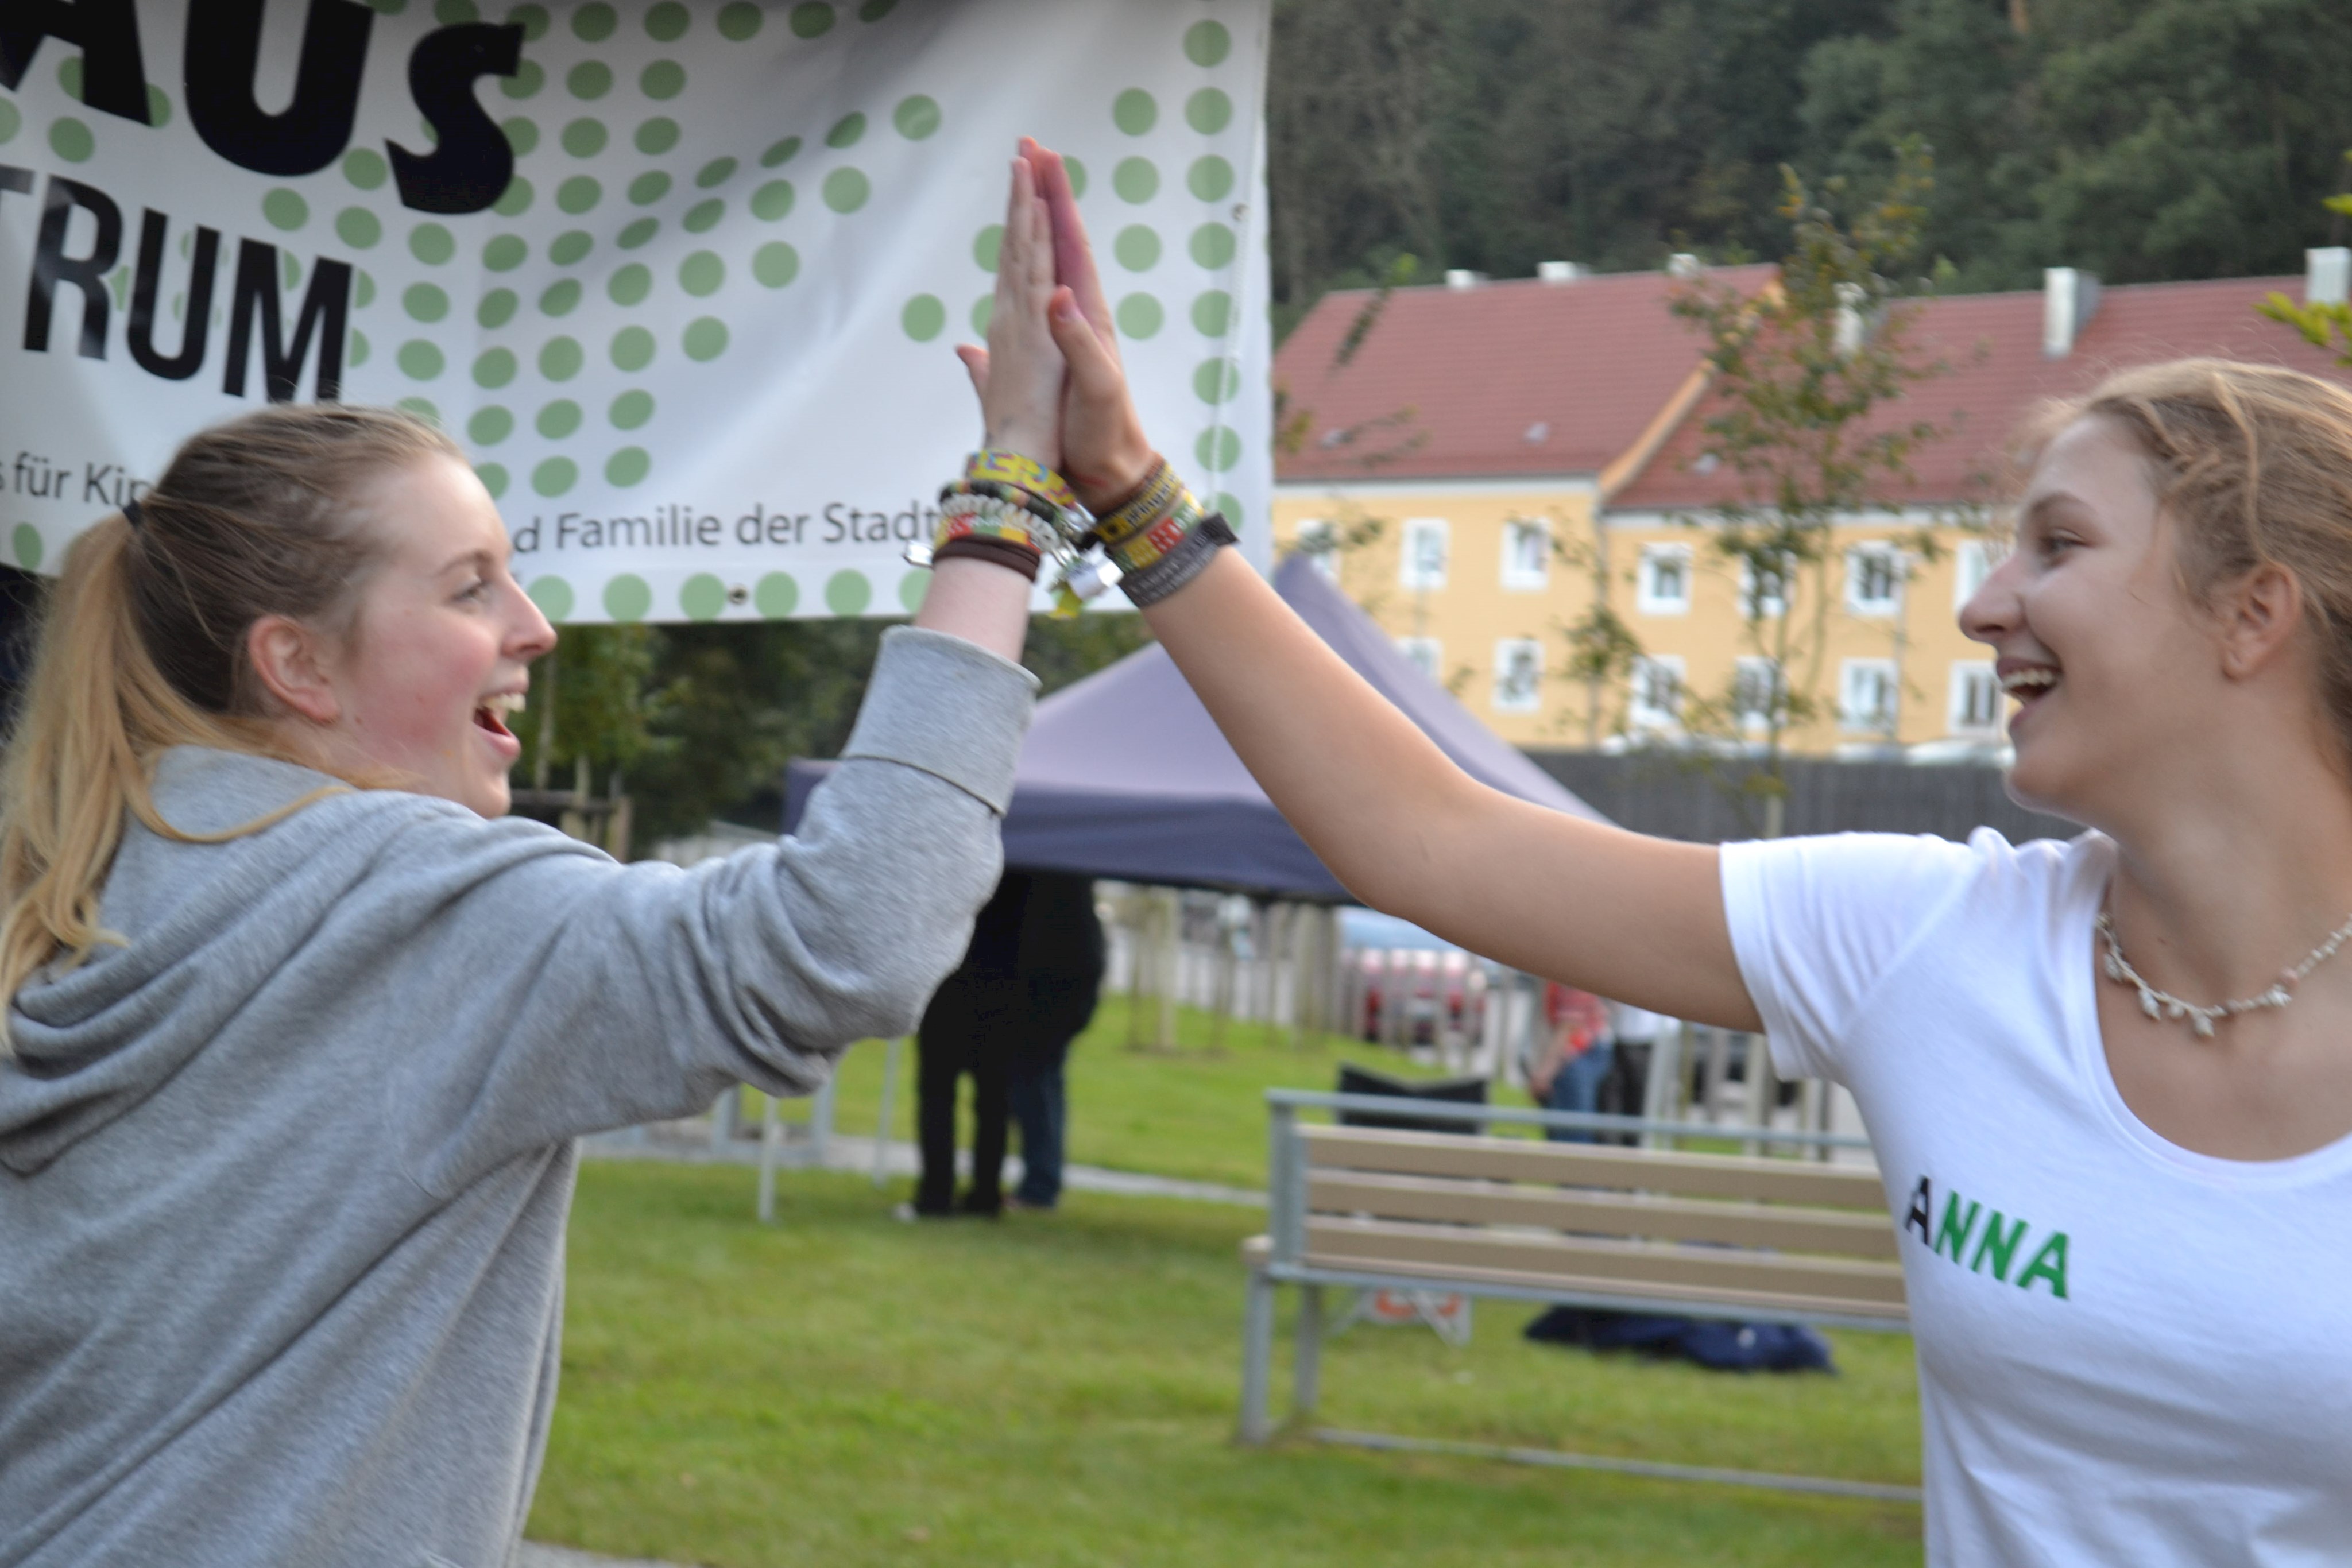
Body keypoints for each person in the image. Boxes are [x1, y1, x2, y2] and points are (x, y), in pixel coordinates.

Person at [999, 134, 2352, 1559]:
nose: (1981, 605)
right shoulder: (1924, 942)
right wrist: (1125, 485)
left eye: (2058, 547)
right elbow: (1426, 836)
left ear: (2249, 615)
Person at [0, 152, 1076, 1567]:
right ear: (297, 664)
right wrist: (1009, 494)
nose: (535, 625)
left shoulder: (63, 887)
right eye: (469, 587)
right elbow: (849, 936)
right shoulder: (404, 908)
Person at [908, 870, 1103, 1216]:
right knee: (992, 1100)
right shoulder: (1034, 867)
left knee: (942, 1095)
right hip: (1004, 991)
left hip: (953, 987)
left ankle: (938, 1195)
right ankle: (984, 1196)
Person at [1527, 982, 1614, 1143]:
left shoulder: (1572, 975)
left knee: (1571, 1136)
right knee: (1567, 1132)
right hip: (1574, 1056)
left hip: (1578, 1055)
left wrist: (1544, 1074)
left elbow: (1569, 1026)